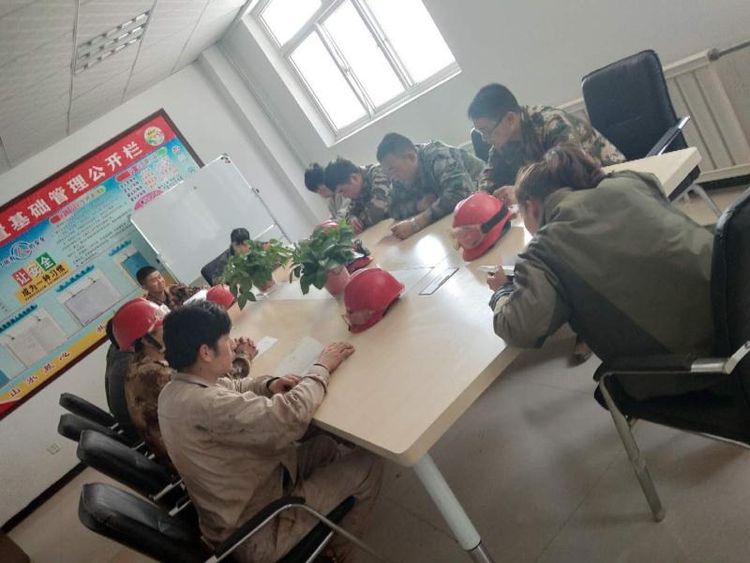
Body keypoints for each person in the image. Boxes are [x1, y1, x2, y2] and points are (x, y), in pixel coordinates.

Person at [158, 302, 383, 563]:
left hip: (251, 497)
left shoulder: (175, 390)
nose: (232, 346)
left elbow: (235, 387)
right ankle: (337, 555)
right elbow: (290, 416)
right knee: (367, 464)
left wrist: (270, 384)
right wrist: (322, 367)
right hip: (258, 531)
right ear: (206, 352)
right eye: (226, 340)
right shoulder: (205, 404)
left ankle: (327, 527)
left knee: (325, 446)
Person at [487, 145, 714, 400]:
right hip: (734, 309)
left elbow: (521, 329)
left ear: (530, 207)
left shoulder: (544, 249)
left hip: (697, 365)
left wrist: (503, 291)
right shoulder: (631, 182)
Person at [112, 298, 257, 466]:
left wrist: (223, 351)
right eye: (163, 326)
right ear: (146, 340)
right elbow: (215, 391)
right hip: (198, 459)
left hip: (190, 444)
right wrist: (242, 357)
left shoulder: (146, 363)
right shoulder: (154, 375)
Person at [468, 83, 625, 198]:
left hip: (610, 178)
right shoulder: (502, 142)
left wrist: (522, 192)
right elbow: (490, 177)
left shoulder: (551, 122)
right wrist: (478, 201)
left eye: (486, 131)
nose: (485, 139)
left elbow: (570, 172)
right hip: (572, 196)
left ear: (510, 119)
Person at [376, 133, 484, 239]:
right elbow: (391, 209)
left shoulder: (436, 155)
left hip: (484, 201)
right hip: (452, 218)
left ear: (411, 157)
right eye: (387, 172)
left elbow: (460, 192)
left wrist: (416, 223)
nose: (391, 178)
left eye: (392, 169)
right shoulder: (398, 177)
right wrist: (418, 206)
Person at [324, 157, 392, 234]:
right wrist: (352, 218)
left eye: (342, 191)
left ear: (354, 178)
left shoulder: (378, 172)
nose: (344, 196)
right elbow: (349, 213)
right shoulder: (357, 189)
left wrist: (358, 222)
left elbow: (376, 211)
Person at [136, 265, 200, 311]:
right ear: (144, 287)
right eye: (153, 280)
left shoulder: (176, 289)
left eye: (159, 277)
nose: (160, 281)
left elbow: (198, 293)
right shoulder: (148, 305)